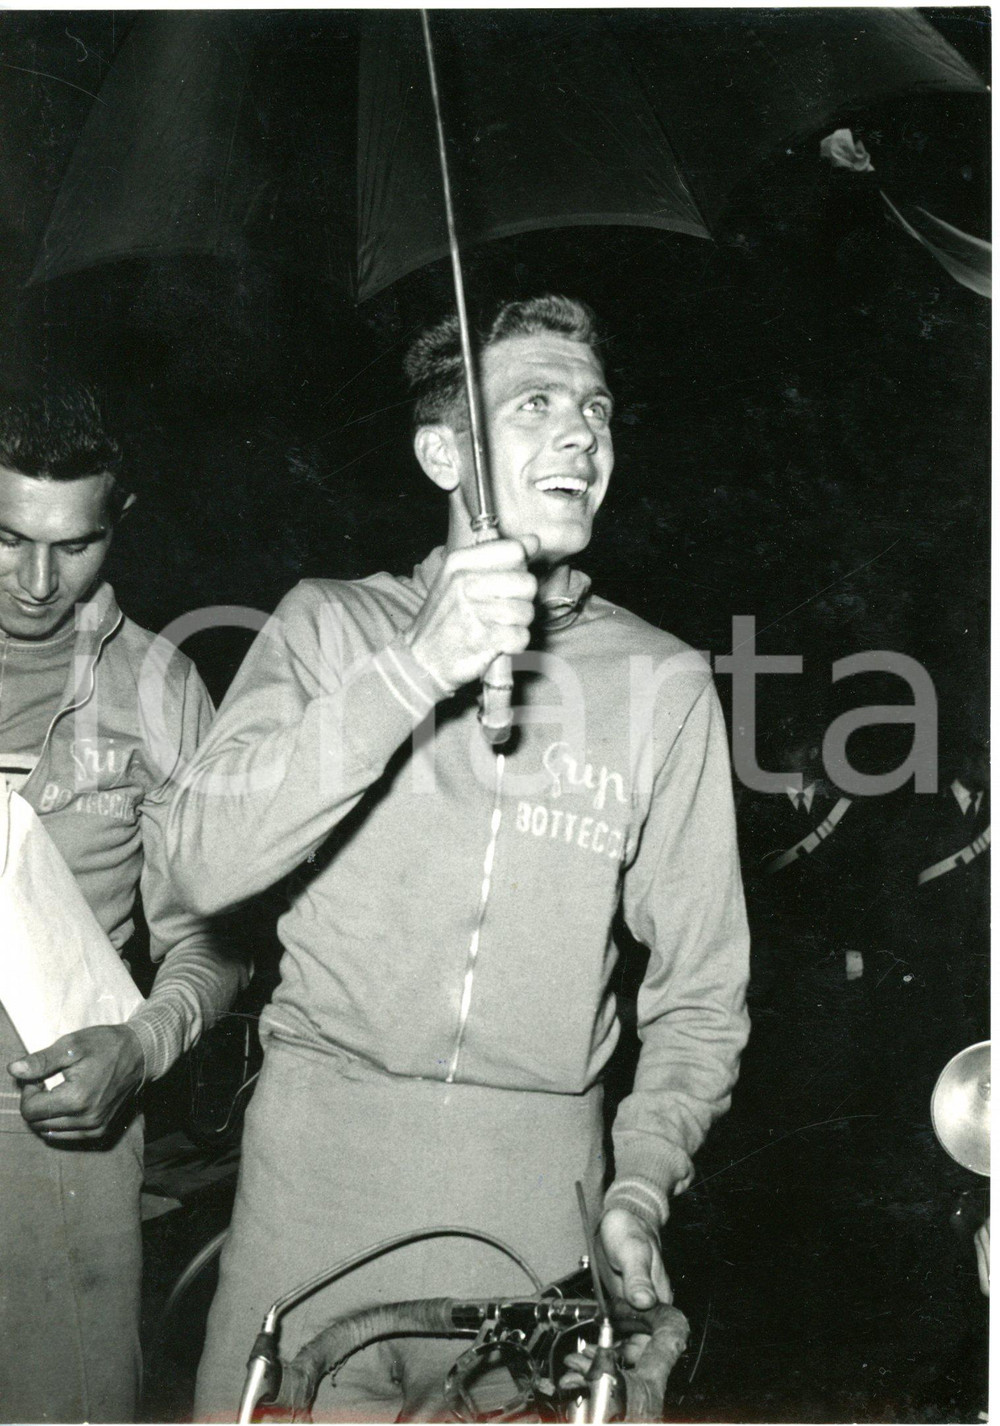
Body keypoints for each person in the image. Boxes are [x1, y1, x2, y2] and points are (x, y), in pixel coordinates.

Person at [168, 295, 750, 1421]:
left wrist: (641, 1180)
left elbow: (702, 991)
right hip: (311, 1198)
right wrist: (415, 666)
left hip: (536, 1213)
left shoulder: (665, 682)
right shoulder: (327, 627)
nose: (581, 433)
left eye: (596, 410)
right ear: (442, 453)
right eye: (534, 403)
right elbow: (197, 863)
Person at [0, 388, 243, 1424]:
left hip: (54, 1125)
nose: (37, 582)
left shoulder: (159, 687)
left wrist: (138, 1052)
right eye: (6, 539)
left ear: (120, 521)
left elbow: (218, 938)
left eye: (74, 545)